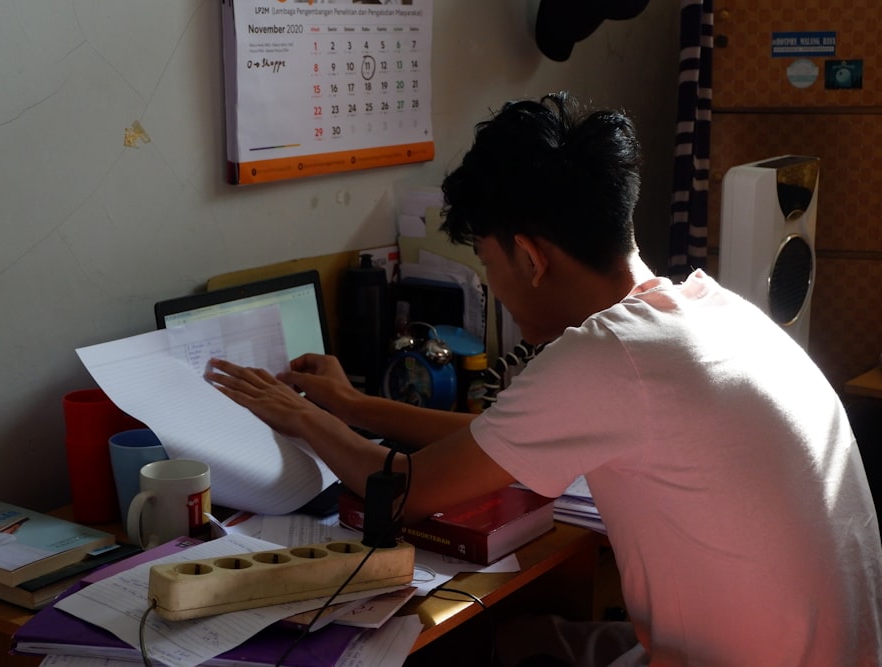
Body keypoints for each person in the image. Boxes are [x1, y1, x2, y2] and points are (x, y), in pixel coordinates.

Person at [205, 92, 882, 666]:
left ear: (529, 256)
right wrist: (356, 404)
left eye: (487, 264)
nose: (494, 287)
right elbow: (496, 439)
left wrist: (300, 417)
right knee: (524, 637)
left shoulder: (606, 355)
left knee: (480, 647)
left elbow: (401, 491)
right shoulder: (705, 310)